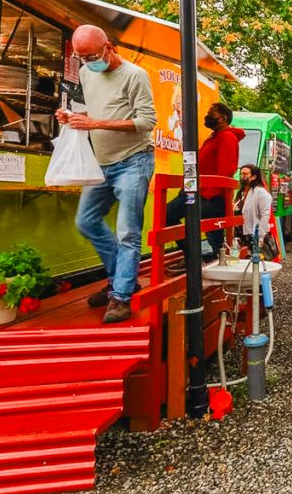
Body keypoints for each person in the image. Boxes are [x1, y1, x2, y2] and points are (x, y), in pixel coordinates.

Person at [57, 25, 156, 324]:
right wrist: (76, 118)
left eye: (91, 56)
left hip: (134, 160)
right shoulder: (86, 73)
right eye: (81, 57)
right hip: (100, 162)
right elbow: (101, 112)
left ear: (109, 47)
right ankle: (121, 279)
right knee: (86, 221)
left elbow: (147, 121)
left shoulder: (135, 75)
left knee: (128, 231)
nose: (87, 62)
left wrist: (95, 124)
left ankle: (121, 297)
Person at [165, 102, 244, 268]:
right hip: (197, 192)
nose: (207, 117)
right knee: (169, 214)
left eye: (211, 114)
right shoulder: (214, 137)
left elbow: (226, 170)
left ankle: (203, 261)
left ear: (223, 118)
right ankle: (193, 256)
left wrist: (209, 194)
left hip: (210, 196)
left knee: (214, 238)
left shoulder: (227, 137)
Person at [237, 164, 274, 253]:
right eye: (241, 174)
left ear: (254, 177)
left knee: (255, 259)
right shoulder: (241, 193)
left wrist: (260, 236)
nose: (242, 176)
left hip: (254, 234)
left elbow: (265, 215)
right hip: (240, 235)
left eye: (245, 174)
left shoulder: (261, 193)